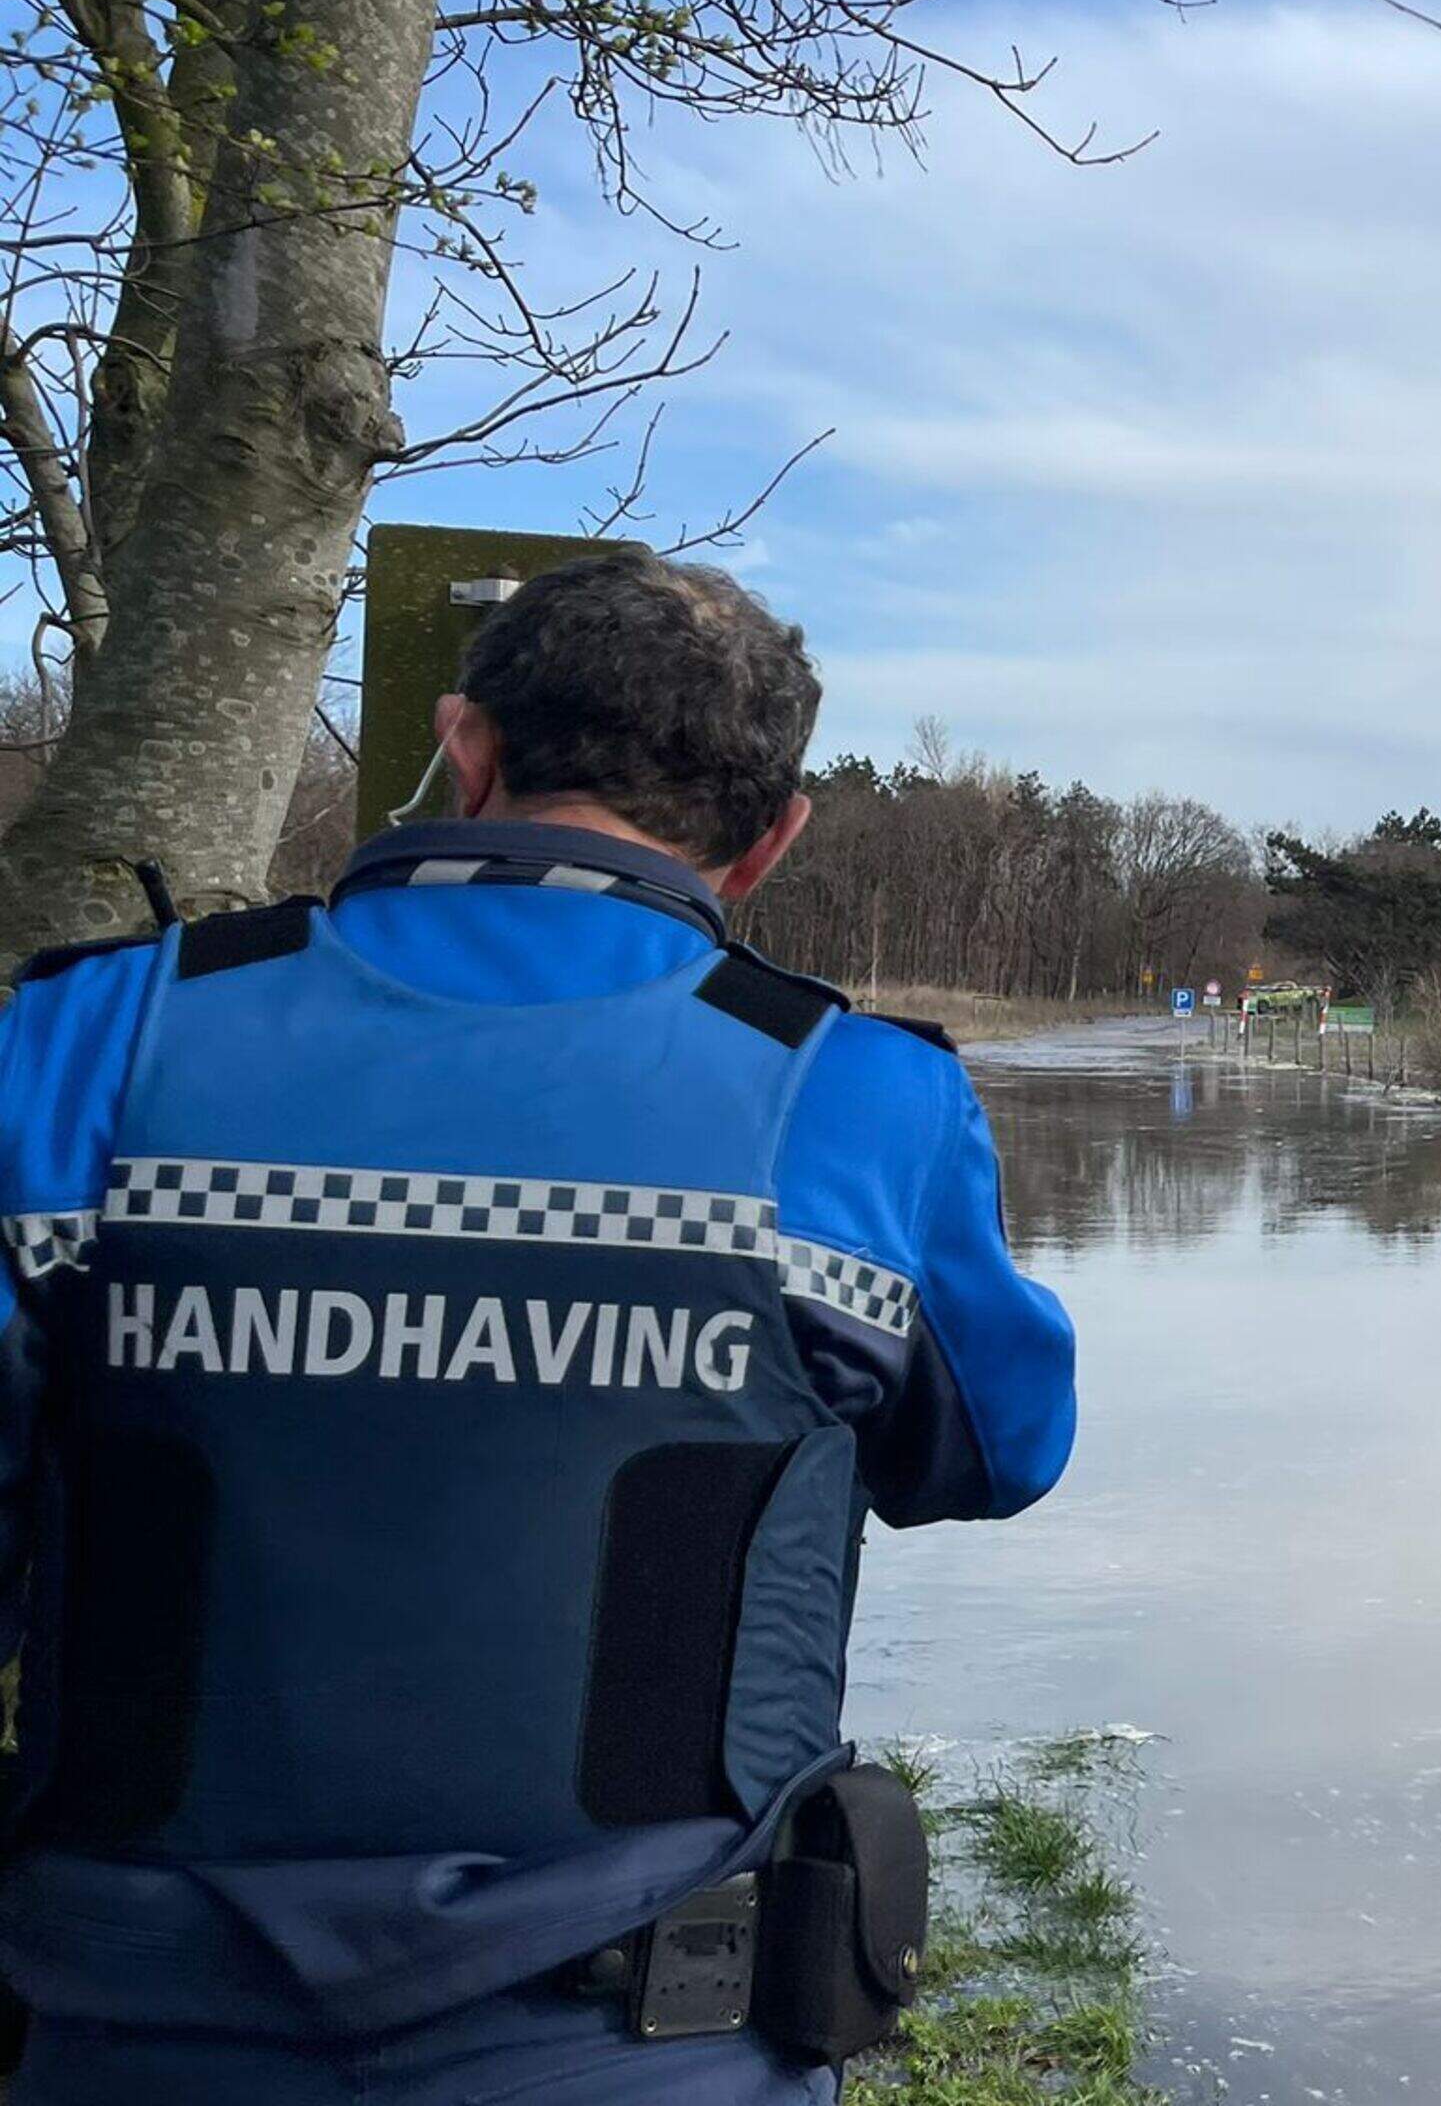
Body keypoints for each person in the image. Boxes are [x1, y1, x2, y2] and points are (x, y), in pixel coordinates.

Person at [0, 552, 1077, 2103]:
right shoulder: (850, 1097)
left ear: (468, 744)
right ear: (775, 839)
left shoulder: (94, 1033)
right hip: (650, 2046)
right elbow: (997, 1451)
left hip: (135, 2031)